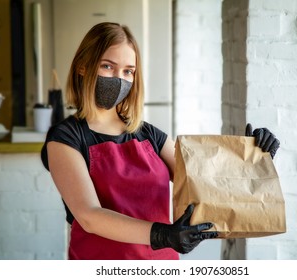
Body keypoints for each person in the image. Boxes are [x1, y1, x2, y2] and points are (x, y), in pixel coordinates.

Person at [41, 22, 280, 260]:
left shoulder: (149, 135)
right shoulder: (65, 138)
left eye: (128, 71)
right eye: (107, 66)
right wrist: (162, 235)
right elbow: (89, 216)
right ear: (83, 67)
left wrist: (252, 158)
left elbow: (204, 181)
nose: (119, 79)